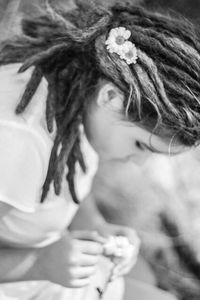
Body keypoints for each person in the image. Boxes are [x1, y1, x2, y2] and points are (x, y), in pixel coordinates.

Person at [0, 1, 199, 299]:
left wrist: (94, 224)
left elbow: (64, 181)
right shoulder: (20, 141)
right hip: (21, 270)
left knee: (143, 276)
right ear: (111, 97)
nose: (138, 162)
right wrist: (36, 264)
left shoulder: (76, 92)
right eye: (140, 146)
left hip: (45, 254)